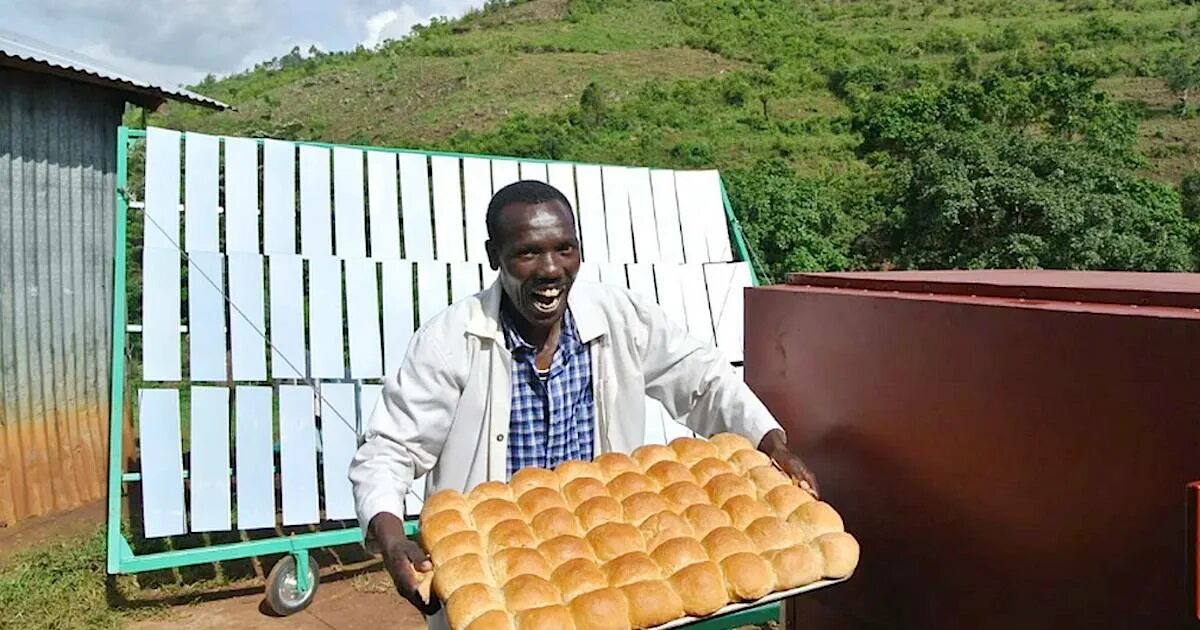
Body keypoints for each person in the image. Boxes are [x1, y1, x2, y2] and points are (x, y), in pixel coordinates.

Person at [349, 180, 818, 627]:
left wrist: (770, 442)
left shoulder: (620, 317)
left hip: (603, 569)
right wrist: (392, 540)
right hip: (501, 575)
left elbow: (703, 380)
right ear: (495, 256)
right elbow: (389, 449)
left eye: (563, 249)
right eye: (528, 252)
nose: (551, 269)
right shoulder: (451, 340)